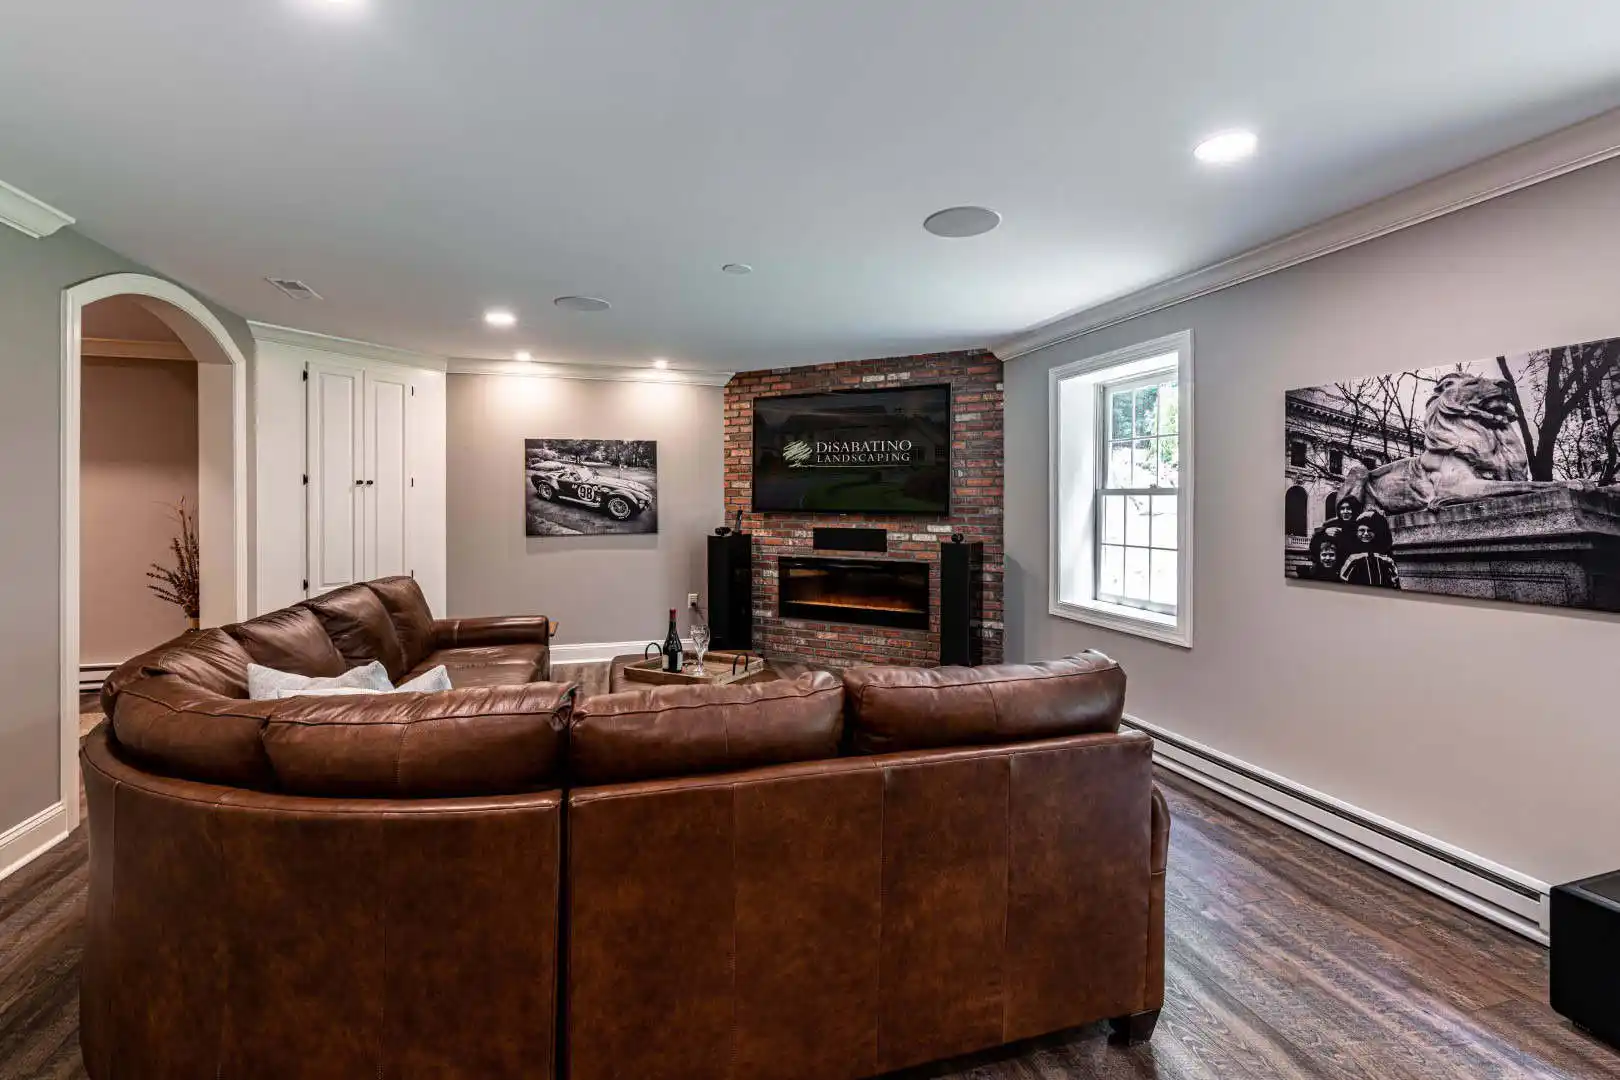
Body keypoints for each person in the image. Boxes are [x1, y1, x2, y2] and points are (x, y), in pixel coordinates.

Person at [1339, 510, 1400, 589]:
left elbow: (1395, 584)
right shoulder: (1352, 559)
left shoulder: (1386, 559)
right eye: (1362, 530)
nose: (1366, 534)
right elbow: (1344, 583)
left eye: (1370, 530)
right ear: (1356, 532)